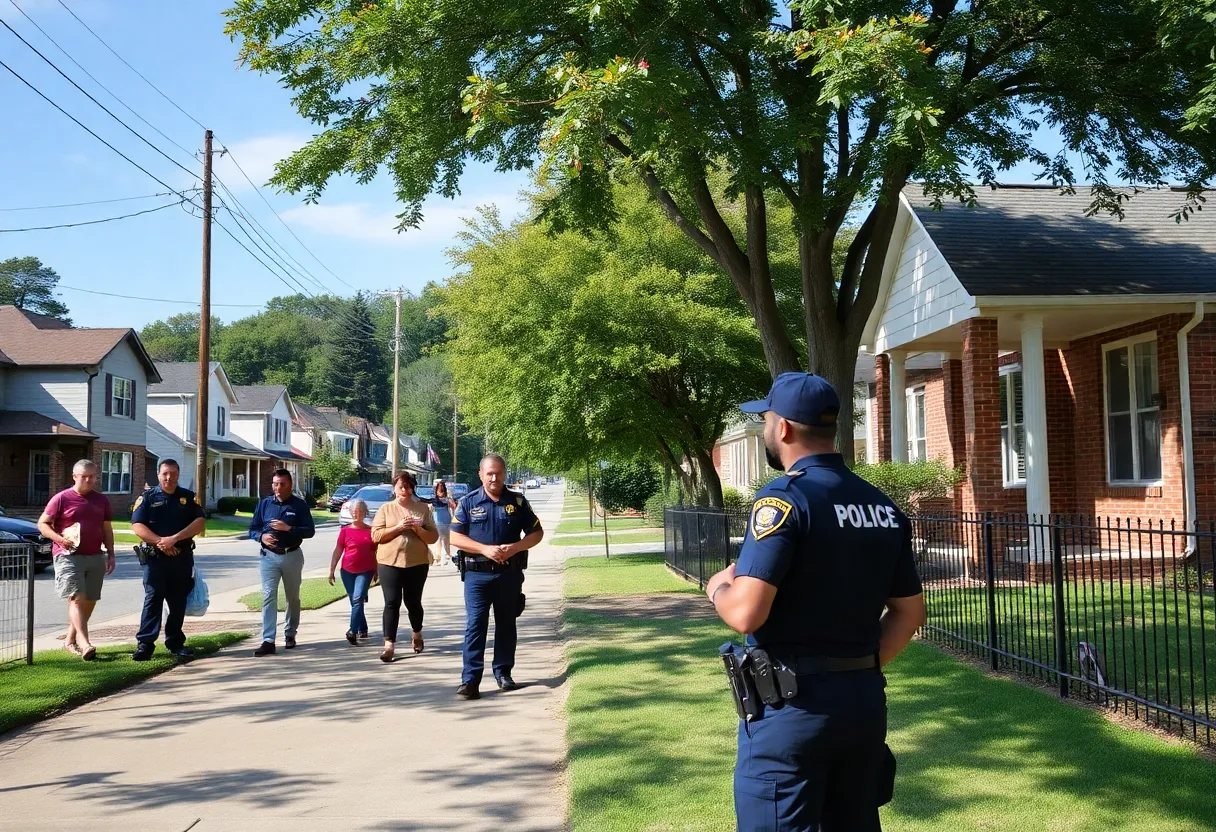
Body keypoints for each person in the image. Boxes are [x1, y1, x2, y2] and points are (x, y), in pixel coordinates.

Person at [703, 372, 926, 832]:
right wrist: (855, 665)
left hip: (794, 713)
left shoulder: (784, 500)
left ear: (782, 428)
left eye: (766, 418)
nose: (765, 427)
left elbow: (746, 611)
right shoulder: (881, 506)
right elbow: (908, 612)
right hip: (863, 704)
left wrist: (718, 586)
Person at [449, 453, 543, 699]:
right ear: (480, 474)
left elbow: (536, 533)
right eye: (489, 473)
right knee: (475, 626)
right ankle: (470, 681)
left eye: (498, 473)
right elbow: (454, 536)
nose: (494, 477)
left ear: (505, 473)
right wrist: (484, 549)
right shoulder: (468, 502)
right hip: (476, 576)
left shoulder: (518, 502)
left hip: (508, 574)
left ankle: (503, 673)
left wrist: (515, 547)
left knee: (506, 625)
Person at [37, 459, 116, 661]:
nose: (89, 480)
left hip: (95, 554)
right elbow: (43, 524)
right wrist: (60, 540)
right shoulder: (62, 498)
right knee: (77, 598)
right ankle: (84, 642)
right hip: (67, 556)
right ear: (74, 477)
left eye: (92, 477)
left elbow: (106, 528)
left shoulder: (101, 500)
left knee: (90, 599)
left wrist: (111, 553)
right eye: (84, 477)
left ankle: (69, 640)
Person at [129, 459, 206, 661]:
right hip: (155, 559)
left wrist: (174, 539)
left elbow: (199, 523)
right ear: (158, 474)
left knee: (177, 602)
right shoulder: (147, 497)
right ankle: (145, 645)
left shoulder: (188, 498)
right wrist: (160, 542)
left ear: (178, 474)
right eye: (165, 473)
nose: (169, 477)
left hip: (181, 558)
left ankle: (175, 642)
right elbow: (137, 525)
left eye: (172, 473)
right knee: (153, 599)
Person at [371, 472, 438, 662]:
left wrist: (417, 529)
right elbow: (376, 536)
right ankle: (388, 645)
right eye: (400, 486)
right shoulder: (386, 509)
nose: (404, 490)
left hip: (417, 562)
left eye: (408, 487)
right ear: (394, 488)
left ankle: (417, 633)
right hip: (389, 562)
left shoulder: (423, 508)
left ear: (412, 488)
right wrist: (399, 527)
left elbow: (433, 537)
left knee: (413, 602)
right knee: (391, 603)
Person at [249, 469, 316, 657]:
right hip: (268, 556)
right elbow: (253, 529)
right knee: (269, 595)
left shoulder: (299, 505)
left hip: (292, 555)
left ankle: (290, 633)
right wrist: (261, 537)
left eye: (282, 484)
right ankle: (268, 640)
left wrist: (289, 528)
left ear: (290, 485)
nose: (278, 488)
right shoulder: (264, 504)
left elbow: (309, 531)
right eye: (275, 484)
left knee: (292, 597)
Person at [328, 498, 376, 645]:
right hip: (347, 571)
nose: (357, 514)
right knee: (355, 601)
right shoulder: (345, 531)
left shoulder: (371, 531)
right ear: (350, 513)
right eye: (354, 511)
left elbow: (376, 552)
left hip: (366, 570)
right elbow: (338, 550)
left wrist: (377, 570)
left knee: (357, 599)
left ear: (365, 513)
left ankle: (352, 631)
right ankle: (363, 628)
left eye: (360, 511)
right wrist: (331, 570)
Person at [429, 479, 456, 566]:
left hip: (446, 522)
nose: (440, 492)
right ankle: (438, 558)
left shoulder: (447, 500)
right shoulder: (434, 501)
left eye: (442, 490)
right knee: (438, 541)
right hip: (437, 522)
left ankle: (444, 556)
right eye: (439, 490)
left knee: (444, 540)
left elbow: (454, 507)